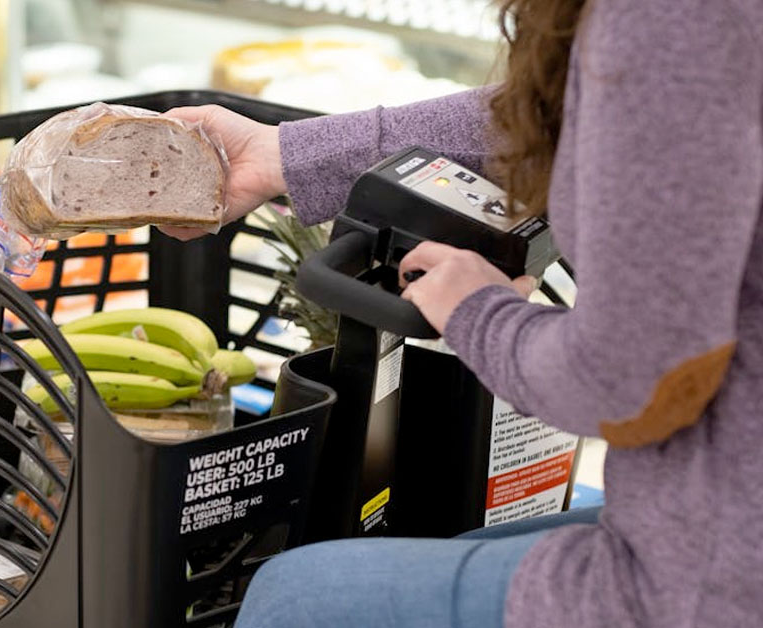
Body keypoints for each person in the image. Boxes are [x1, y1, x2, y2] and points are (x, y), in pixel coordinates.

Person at [163, 0, 763, 626]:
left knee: (295, 598)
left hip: (716, 573)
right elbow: (598, 110)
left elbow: (632, 380)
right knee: (457, 552)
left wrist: (479, 312)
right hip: (702, 505)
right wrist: (287, 155)